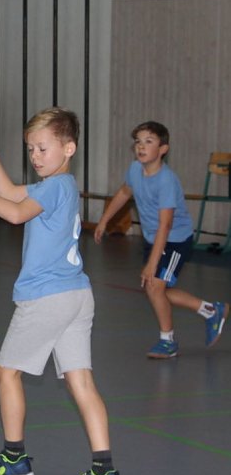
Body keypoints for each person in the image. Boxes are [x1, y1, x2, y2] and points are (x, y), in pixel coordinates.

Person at [0, 109, 121, 475]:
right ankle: (104, 470)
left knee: (5, 372)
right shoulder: (62, 185)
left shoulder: (54, 186)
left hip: (48, 296)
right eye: (31, 149)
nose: (35, 156)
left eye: (42, 148)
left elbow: (16, 215)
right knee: (80, 381)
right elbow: (9, 192)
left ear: (69, 148)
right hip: (77, 294)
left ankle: (14, 458)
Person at [94, 121, 228, 359]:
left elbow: (165, 226)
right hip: (154, 238)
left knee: (155, 285)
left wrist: (152, 263)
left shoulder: (166, 180)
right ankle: (212, 310)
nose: (141, 147)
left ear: (163, 149)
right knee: (157, 290)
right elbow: (125, 192)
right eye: (138, 142)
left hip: (175, 241)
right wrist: (105, 220)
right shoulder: (135, 169)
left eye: (149, 141)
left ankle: (168, 341)